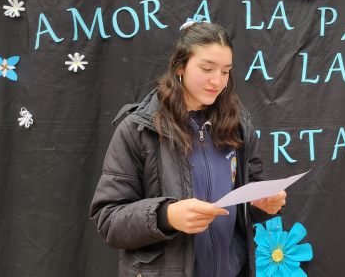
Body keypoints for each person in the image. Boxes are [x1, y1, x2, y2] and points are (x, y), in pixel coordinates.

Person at [89, 19, 286, 277]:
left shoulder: (239, 127)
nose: (217, 80)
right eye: (207, 68)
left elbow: (249, 198)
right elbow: (108, 220)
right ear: (180, 66)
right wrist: (166, 216)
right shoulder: (137, 129)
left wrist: (267, 204)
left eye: (225, 71)